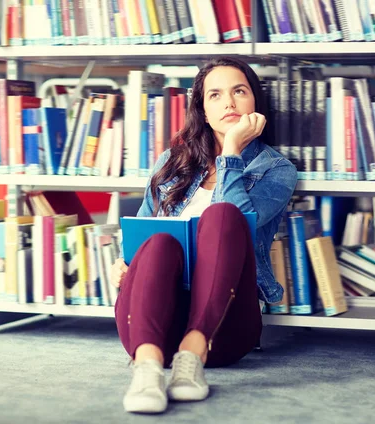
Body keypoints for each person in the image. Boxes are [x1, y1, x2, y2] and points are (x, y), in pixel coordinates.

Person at [111, 57, 298, 414]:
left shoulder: (277, 170)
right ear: (202, 109)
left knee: (222, 215)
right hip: (151, 322)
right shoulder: (171, 161)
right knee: (160, 241)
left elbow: (240, 226)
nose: (228, 102)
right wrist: (122, 265)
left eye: (239, 91)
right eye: (215, 95)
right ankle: (147, 370)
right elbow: (138, 234)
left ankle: (190, 359)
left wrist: (231, 152)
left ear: (254, 101)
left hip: (223, 329)